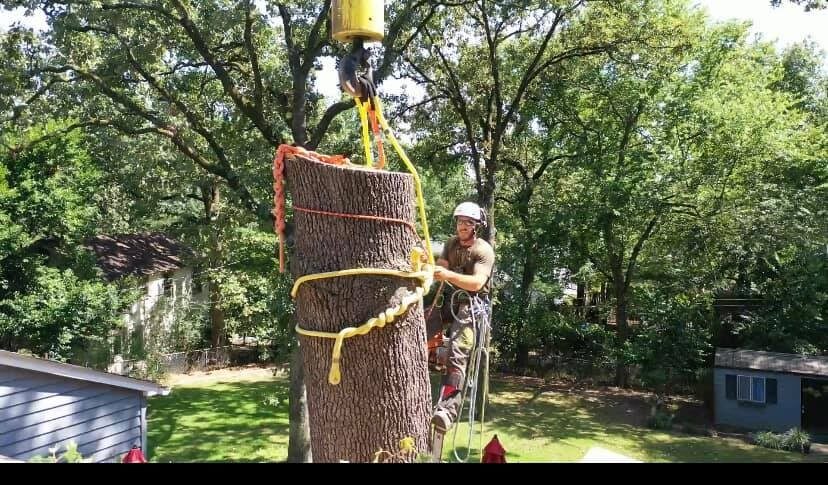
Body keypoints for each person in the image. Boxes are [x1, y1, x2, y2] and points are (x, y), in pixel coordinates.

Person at [427, 201, 495, 431]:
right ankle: (431, 354)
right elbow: (441, 269)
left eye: (467, 222)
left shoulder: (483, 250)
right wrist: (435, 270)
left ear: (476, 226)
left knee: (457, 354)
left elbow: (476, 283)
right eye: (459, 221)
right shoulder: (451, 244)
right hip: (452, 300)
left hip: (473, 306)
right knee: (425, 319)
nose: (462, 226)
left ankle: (447, 410)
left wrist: (446, 274)